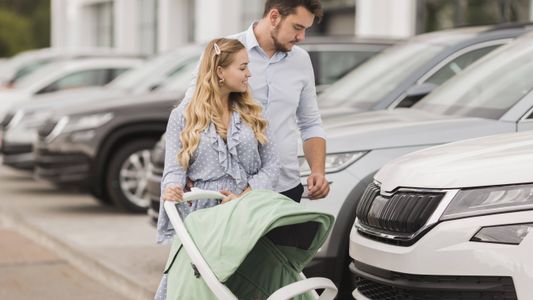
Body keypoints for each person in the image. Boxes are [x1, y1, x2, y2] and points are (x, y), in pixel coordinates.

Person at [154, 38, 280, 300]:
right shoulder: (183, 116)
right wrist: (172, 188)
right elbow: (174, 168)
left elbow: (271, 166)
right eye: (243, 67)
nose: (250, 73)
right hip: (203, 218)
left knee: (247, 284)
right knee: (199, 286)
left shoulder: (253, 113)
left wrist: (245, 195)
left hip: (247, 211)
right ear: (220, 72)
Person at [179, 0, 330, 203]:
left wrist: (318, 171)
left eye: (306, 29)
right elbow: (191, 112)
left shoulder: (301, 60)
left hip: (285, 188)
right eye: (297, 27)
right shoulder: (224, 51)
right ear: (274, 17)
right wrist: (184, 171)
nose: (301, 37)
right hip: (229, 190)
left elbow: (310, 123)